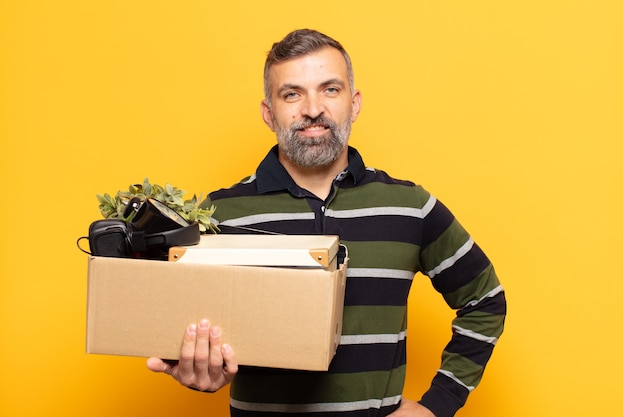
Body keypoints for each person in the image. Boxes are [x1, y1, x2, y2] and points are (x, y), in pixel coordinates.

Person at [147, 29, 506, 417]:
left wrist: (438, 405)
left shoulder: (410, 206)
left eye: (329, 89)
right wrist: (200, 365)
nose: (313, 108)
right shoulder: (219, 215)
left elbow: (485, 300)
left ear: (354, 103)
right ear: (269, 113)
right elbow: (185, 327)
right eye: (292, 93)